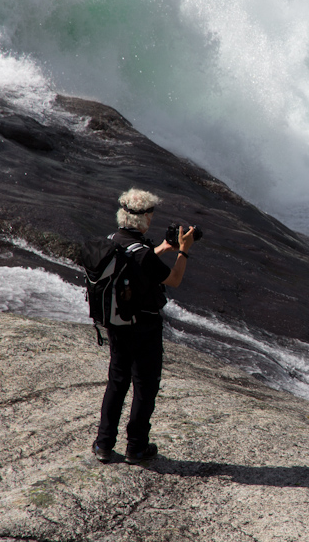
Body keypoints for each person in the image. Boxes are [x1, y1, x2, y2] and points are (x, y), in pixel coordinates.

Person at [92, 188, 196, 464]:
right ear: (145, 219)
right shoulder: (143, 254)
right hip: (144, 328)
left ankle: (103, 445)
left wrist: (162, 248)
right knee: (144, 386)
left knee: (117, 382)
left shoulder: (111, 242)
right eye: (151, 213)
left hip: (116, 325)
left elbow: (136, 260)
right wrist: (183, 252)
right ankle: (136, 447)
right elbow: (173, 279)